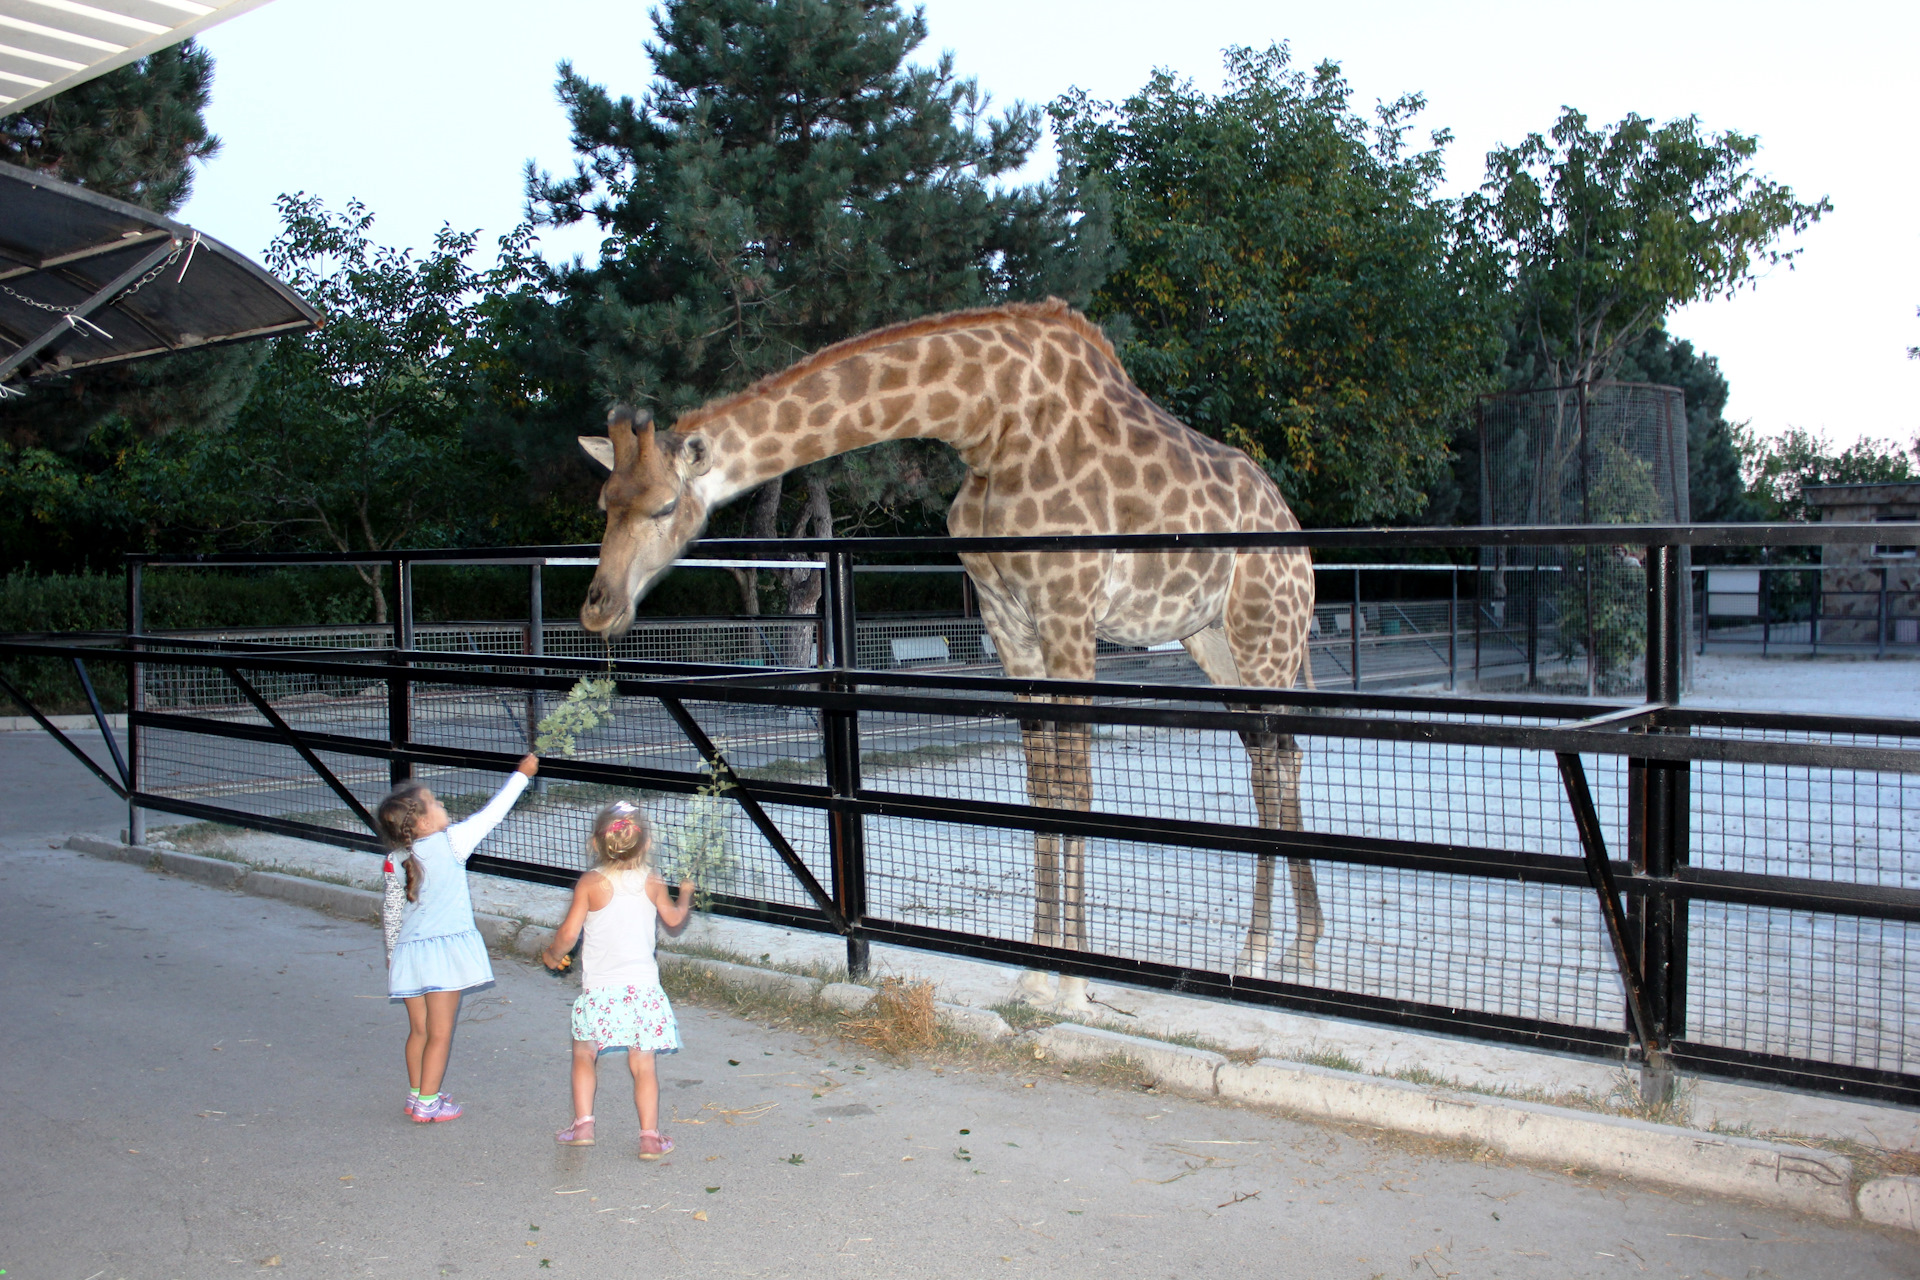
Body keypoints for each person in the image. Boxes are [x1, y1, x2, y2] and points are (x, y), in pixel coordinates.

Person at [377, 754, 538, 1123]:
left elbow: (391, 911)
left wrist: (391, 955)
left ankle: (417, 1092)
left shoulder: (396, 857)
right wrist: (521, 775)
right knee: (440, 1033)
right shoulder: (451, 843)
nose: (443, 804)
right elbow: (492, 813)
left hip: (408, 953)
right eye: (435, 803)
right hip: (443, 954)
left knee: (418, 1030)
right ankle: (429, 1104)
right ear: (422, 821)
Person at [542, 800, 694, 1158]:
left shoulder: (591, 883)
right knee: (643, 1065)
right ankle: (649, 1137)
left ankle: (583, 1126)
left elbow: (568, 934)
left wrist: (552, 954)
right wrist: (684, 895)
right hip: (642, 991)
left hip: (599, 991)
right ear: (648, 844)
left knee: (584, 1053)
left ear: (595, 844)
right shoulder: (653, 881)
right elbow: (673, 920)